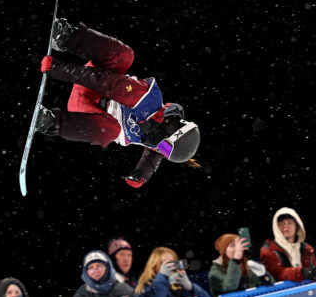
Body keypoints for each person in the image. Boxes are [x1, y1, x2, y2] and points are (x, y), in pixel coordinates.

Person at [37, 20, 201, 188]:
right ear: (171, 126)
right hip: (95, 82)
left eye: (164, 151)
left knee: (110, 131)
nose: (160, 148)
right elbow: (107, 82)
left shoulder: (157, 142)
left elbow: (155, 155)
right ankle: (67, 36)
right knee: (125, 56)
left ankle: (50, 121)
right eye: (165, 147)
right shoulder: (148, 100)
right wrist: (62, 69)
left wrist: (142, 175)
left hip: (86, 108)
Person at [136, 247, 212, 297]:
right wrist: (162, 277)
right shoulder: (144, 286)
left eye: (173, 262)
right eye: (166, 263)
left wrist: (191, 287)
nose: (171, 266)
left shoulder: (177, 285)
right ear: (154, 266)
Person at [260, 207, 316, 282]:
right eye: (281, 223)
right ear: (276, 227)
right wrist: (302, 273)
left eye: (289, 223)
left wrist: (314, 272)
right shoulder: (269, 250)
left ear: (297, 225)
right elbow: (278, 275)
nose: (285, 226)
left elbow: (313, 278)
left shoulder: (306, 249)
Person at [208, 234, 273, 296]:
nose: (237, 249)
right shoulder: (215, 272)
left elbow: (271, 289)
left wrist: (263, 276)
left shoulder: (249, 265)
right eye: (232, 245)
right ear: (224, 250)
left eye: (238, 245)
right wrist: (235, 260)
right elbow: (229, 287)